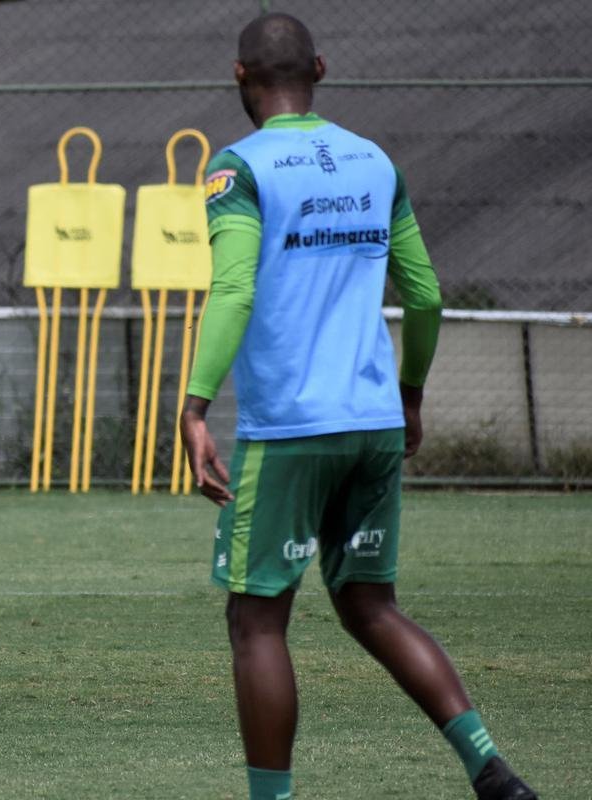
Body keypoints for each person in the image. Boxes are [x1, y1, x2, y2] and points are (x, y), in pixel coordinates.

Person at [180, 14, 537, 800]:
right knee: (371, 604)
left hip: (289, 432)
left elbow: (234, 289)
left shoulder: (235, 170)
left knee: (257, 622)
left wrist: (195, 406)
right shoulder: (374, 161)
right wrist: (409, 395)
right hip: (372, 422)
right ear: (320, 66)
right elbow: (426, 294)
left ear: (238, 77)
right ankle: (490, 769)